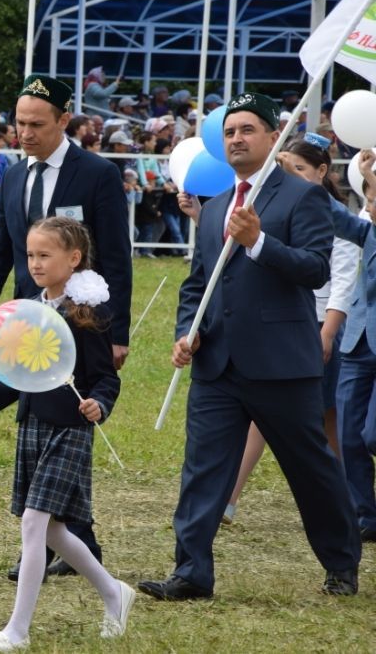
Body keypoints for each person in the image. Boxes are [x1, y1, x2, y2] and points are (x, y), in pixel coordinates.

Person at [137, 92, 361, 601]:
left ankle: (341, 562)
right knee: (203, 469)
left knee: (311, 469)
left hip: (282, 364)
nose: (236, 139)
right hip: (218, 365)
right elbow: (198, 282)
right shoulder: (216, 205)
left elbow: (315, 268)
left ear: (271, 135)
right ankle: (192, 571)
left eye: (247, 130)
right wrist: (186, 330)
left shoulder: (302, 197)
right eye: (230, 133)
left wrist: (260, 242)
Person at [0, 75, 132, 579]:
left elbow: (117, 258)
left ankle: (51, 539)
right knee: (37, 419)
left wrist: (117, 331)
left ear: (64, 121)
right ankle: (69, 542)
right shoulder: (14, 177)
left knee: (70, 420)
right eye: (19, 123)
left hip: (82, 319)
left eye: (37, 124)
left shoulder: (97, 174)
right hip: (28, 319)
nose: (25, 133)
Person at [0, 217, 133, 651]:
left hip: (70, 429)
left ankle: (17, 630)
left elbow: (106, 379)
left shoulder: (87, 313)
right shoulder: (28, 309)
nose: (35, 263)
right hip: (33, 426)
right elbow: (17, 376)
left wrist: (99, 405)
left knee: (35, 524)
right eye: (31, 254)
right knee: (50, 531)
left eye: (44, 255)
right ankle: (114, 593)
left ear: (73, 258)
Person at [216, 134, 359, 523]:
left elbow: (340, 278)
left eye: (299, 169)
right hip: (273, 325)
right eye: (285, 169)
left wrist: (328, 332)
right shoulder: (273, 205)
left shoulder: (332, 213)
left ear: (322, 172)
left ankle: (346, 500)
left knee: (324, 423)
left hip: (319, 326)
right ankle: (228, 498)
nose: (290, 176)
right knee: (262, 420)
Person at [330, 148, 376, 545]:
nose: (369, 206)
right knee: (348, 434)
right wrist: (302, 183)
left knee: (372, 434)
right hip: (358, 340)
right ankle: (364, 516)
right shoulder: (368, 227)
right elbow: (338, 218)